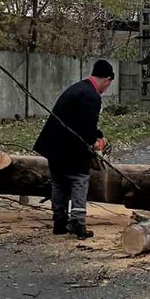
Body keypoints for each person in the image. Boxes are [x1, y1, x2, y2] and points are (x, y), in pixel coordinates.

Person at [33, 59, 115, 239]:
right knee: (79, 179)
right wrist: (95, 142)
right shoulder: (92, 96)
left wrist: (97, 135)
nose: (106, 89)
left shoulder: (77, 88)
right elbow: (86, 126)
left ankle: (59, 222)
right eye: (108, 84)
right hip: (69, 146)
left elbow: (79, 120)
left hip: (53, 145)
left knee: (59, 182)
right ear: (107, 79)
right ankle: (78, 222)